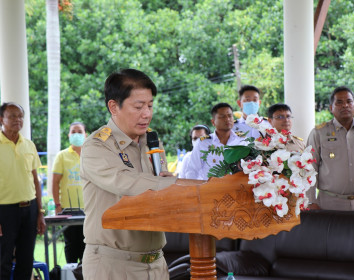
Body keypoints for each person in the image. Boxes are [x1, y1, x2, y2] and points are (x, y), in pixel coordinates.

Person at [80, 68, 197, 280]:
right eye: (139, 106)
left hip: (156, 264)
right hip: (113, 265)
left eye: (150, 105)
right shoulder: (96, 146)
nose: (147, 114)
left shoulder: (152, 142)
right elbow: (129, 184)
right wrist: (182, 185)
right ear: (114, 107)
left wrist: (178, 188)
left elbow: (160, 189)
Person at [307, 86, 354, 212]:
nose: (345, 105)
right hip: (329, 203)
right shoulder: (319, 133)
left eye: (349, 101)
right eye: (339, 102)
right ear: (331, 108)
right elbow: (309, 168)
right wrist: (311, 200)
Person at [0, 102, 46, 279]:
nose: (17, 120)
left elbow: (36, 180)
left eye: (20, 116)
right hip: (5, 211)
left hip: (30, 208)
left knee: (26, 261)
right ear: (1, 119)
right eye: (12, 116)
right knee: (3, 261)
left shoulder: (29, 145)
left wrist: (40, 212)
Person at [52, 121, 86, 263]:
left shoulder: (91, 156)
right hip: (67, 209)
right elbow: (55, 182)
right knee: (71, 245)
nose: (76, 134)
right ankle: (71, 274)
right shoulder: (62, 156)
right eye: (73, 132)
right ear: (68, 135)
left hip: (88, 208)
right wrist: (57, 205)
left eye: (79, 131)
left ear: (86, 135)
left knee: (88, 245)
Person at [186, 103, 247, 180]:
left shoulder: (243, 141)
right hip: (210, 189)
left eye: (230, 116)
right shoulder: (203, 143)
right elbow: (192, 171)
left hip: (236, 189)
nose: (227, 119)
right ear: (213, 122)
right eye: (222, 116)